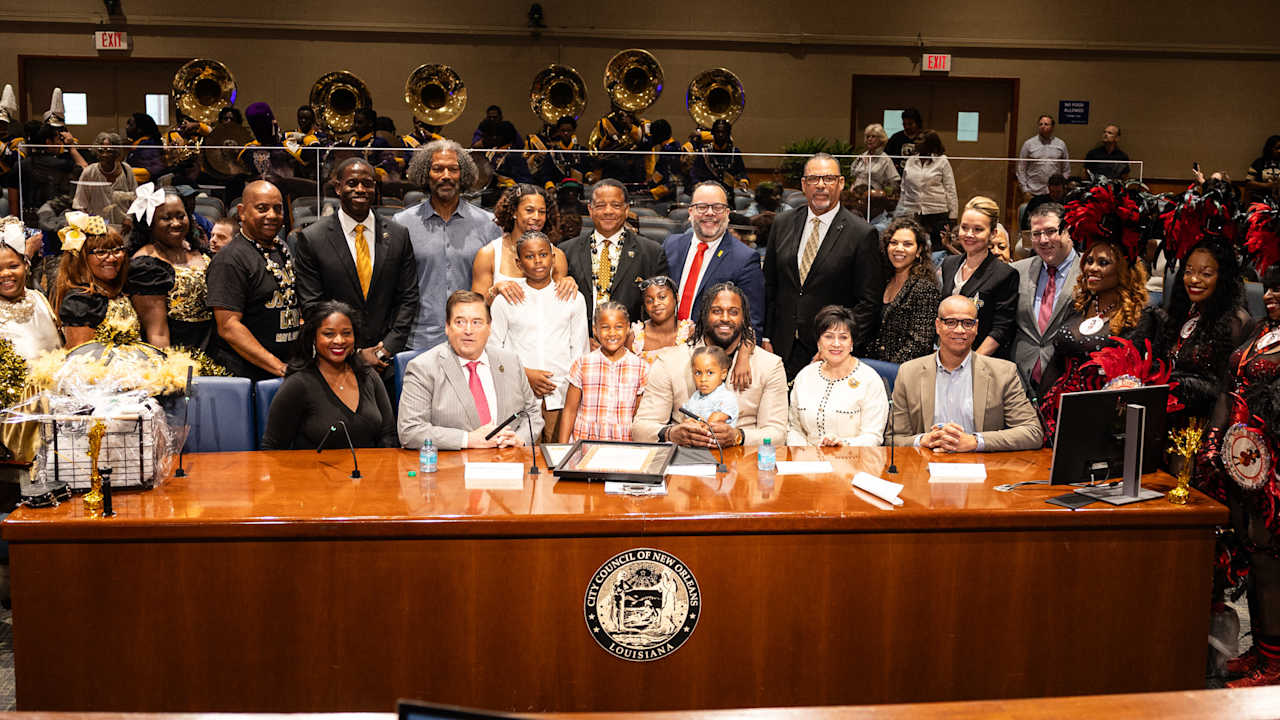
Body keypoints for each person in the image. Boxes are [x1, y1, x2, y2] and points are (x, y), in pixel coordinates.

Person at [1195, 264, 1280, 688]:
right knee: (1253, 554)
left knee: (1270, 561)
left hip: (1275, 469)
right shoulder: (1263, 331)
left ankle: (1275, 663)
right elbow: (1230, 387)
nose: (1270, 296)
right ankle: (1263, 649)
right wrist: (1214, 439)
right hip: (1243, 464)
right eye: (1269, 289)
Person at [294, 158, 419, 378]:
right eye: (352, 183)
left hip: (386, 363)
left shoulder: (399, 235)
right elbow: (313, 305)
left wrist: (385, 349)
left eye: (367, 183)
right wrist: (355, 354)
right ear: (338, 187)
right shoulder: (313, 238)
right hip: (336, 361)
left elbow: (408, 297)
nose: (360, 189)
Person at [764, 153, 884, 380]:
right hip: (779, 349)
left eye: (828, 178)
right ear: (803, 185)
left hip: (829, 355)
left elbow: (868, 304)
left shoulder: (861, 234)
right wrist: (766, 337)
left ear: (841, 183)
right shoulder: (782, 223)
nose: (820, 185)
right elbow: (769, 285)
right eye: (813, 179)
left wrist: (835, 346)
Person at [633, 283, 788, 448]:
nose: (725, 318)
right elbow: (641, 428)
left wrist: (739, 436)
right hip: (685, 462)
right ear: (704, 315)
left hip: (745, 464)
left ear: (744, 319)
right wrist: (671, 433)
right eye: (716, 311)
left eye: (733, 312)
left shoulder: (769, 365)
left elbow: (777, 434)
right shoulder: (670, 362)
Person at [889, 295, 1042, 451]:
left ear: (976, 327)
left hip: (982, 467)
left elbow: (1032, 432)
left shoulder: (1003, 373)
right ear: (937, 325)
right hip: (926, 463)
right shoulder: (909, 372)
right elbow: (893, 437)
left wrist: (976, 441)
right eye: (951, 322)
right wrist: (923, 440)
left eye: (968, 323)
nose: (960, 330)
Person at [398, 290, 542, 449]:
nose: (468, 330)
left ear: (489, 328)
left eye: (477, 322)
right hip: (453, 467)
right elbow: (410, 431)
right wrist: (467, 439)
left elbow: (533, 414)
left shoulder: (511, 362)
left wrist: (519, 439)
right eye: (460, 322)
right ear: (447, 327)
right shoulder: (423, 368)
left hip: (509, 461)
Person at [395, 139, 498, 351]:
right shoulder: (402, 223)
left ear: (464, 175)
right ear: (425, 173)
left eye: (453, 169)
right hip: (418, 340)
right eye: (437, 169)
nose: (446, 176)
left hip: (472, 341)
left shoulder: (489, 224)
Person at [490, 231, 588, 442]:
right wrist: (524, 374)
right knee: (520, 461)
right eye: (529, 256)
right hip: (518, 397)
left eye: (543, 254)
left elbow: (580, 352)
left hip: (561, 397)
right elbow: (494, 351)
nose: (537, 261)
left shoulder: (573, 297)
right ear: (518, 262)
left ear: (553, 257)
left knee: (557, 461)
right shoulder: (505, 300)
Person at [260, 301, 397, 450]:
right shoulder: (297, 384)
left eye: (346, 333)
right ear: (314, 338)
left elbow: (388, 435)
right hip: (314, 471)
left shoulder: (368, 374)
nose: (339, 340)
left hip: (369, 472)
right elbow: (272, 449)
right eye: (328, 334)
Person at [206, 180, 301, 380]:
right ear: (242, 212)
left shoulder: (281, 248)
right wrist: (279, 367)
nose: (272, 216)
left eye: (278, 209)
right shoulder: (230, 259)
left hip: (286, 369)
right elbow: (229, 327)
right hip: (249, 375)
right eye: (262, 209)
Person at [1158, 238, 1250, 423]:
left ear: (1223, 278)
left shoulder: (1236, 323)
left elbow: (1228, 393)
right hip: (1165, 418)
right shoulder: (1180, 313)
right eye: (1188, 271)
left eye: (1206, 274)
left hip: (1204, 425)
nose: (1193, 280)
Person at [560, 179, 668, 329]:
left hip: (632, 344)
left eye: (616, 205)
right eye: (600, 205)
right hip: (580, 343)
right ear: (590, 210)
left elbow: (661, 308)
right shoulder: (566, 251)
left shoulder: (651, 252)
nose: (608, 211)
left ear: (626, 210)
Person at [664, 181, 765, 340]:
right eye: (702, 207)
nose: (710, 213)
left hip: (714, 354)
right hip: (666, 347)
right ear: (690, 212)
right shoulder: (671, 245)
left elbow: (752, 322)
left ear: (727, 213)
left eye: (717, 207)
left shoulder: (745, 259)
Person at [0, 223, 61, 462]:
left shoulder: (39, 298)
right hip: (15, 411)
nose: (5, 274)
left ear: (26, 265)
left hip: (54, 402)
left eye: (13, 266)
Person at [126, 185, 214, 351]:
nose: (176, 223)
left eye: (181, 216)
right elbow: (157, 333)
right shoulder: (146, 266)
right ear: (149, 223)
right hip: (178, 357)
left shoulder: (202, 253)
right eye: (166, 218)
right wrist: (170, 372)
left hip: (213, 349)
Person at [788, 305, 888, 447]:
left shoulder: (870, 380)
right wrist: (805, 454)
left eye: (843, 337)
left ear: (852, 343)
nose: (836, 344)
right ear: (818, 342)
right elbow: (794, 429)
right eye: (828, 336)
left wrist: (843, 444)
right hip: (807, 462)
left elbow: (873, 436)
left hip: (852, 462)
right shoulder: (805, 376)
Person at [1011, 202, 1080, 394]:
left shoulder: (1088, 273)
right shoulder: (1017, 271)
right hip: (1020, 379)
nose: (1042, 240)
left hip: (1067, 378)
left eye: (1050, 231)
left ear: (1067, 231)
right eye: (1036, 234)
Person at [938, 196, 1018, 358]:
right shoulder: (949, 264)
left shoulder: (1004, 274)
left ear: (993, 233)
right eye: (964, 227)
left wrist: (971, 363)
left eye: (978, 229)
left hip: (982, 361)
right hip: (948, 357)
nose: (969, 234)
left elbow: (1001, 329)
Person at [470, 183, 576, 305]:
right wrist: (495, 291)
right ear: (514, 212)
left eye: (542, 212)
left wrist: (568, 284)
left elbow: (561, 305)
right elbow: (476, 306)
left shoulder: (557, 255)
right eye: (529, 210)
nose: (537, 217)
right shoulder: (489, 254)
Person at [558, 301, 647, 442]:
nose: (612, 333)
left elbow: (639, 415)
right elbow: (570, 410)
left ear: (628, 328)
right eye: (605, 327)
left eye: (618, 327)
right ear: (595, 330)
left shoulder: (640, 367)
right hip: (584, 443)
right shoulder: (583, 363)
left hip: (623, 444)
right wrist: (561, 449)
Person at [52, 213, 137, 347]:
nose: (112, 258)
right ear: (82, 258)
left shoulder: (121, 290)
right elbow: (82, 358)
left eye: (117, 250)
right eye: (101, 252)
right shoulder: (80, 302)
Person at [868, 218, 942, 364]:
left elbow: (920, 343)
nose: (899, 248)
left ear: (919, 250)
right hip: (870, 368)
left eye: (907, 244)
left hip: (902, 374)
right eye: (894, 243)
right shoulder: (882, 282)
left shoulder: (925, 288)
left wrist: (891, 371)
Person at [896, 130, 957, 252]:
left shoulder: (942, 161)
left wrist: (953, 214)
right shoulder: (911, 161)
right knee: (915, 246)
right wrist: (900, 211)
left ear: (929, 143)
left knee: (938, 248)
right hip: (913, 211)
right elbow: (904, 188)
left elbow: (950, 189)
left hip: (937, 211)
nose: (916, 142)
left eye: (920, 139)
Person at [71, 132, 136, 225]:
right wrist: (90, 223)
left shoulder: (126, 170)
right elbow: (80, 204)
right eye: (101, 151)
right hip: (97, 229)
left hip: (123, 228)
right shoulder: (89, 172)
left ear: (116, 153)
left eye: (109, 151)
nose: (104, 155)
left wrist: (129, 218)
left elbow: (136, 199)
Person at [629, 276, 694, 363]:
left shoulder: (690, 333)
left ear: (677, 297)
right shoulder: (634, 337)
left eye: (662, 297)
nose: (655, 303)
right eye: (649, 301)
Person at [685, 119, 747, 195]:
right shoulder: (704, 151)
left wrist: (743, 181)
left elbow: (741, 172)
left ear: (728, 134)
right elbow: (694, 172)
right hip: (707, 192)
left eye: (723, 132)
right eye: (718, 132)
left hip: (727, 192)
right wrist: (697, 183)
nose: (720, 135)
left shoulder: (735, 152)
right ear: (713, 133)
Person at [1017, 114, 1070, 201]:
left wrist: (1061, 188)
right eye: (1040, 124)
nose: (1042, 126)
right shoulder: (1028, 144)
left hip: (1054, 193)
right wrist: (1025, 191)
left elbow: (1066, 169)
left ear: (1052, 127)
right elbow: (1021, 169)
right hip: (1034, 191)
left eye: (1046, 124)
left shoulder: (1061, 144)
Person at [526, 115, 585, 189]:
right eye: (563, 131)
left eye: (569, 130)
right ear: (558, 131)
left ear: (573, 131)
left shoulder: (581, 150)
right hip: (558, 188)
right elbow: (546, 174)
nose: (566, 133)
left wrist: (590, 175)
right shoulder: (552, 153)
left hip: (578, 188)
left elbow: (586, 169)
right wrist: (550, 187)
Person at [685, 345, 739, 425]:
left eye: (710, 373)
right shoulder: (694, 397)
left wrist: (699, 424)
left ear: (723, 374)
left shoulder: (726, 398)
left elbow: (715, 422)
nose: (703, 379)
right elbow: (687, 419)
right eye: (698, 373)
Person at [849, 123, 900, 195]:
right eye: (868, 136)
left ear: (881, 139)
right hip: (855, 195)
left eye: (873, 136)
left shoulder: (885, 159)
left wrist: (886, 194)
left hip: (874, 198)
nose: (869, 139)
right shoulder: (861, 157)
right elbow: (852, 176)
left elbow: (894, 183)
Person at [124, 112, 164, 184]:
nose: (126, 127)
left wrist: (125, 172)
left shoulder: (148, 145)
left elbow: (152, 171)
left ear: (140, 129)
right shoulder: (138, 144)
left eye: (130, 124)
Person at [885, 108, 923, 172]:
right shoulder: (896, 137)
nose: (907, 127)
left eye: (910, 124)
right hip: (899, 175)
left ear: (918, 123)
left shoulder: (924, 137)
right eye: (904, 124)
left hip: (918, 174)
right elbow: (886, 156)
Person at [1247, 135, 1280, 199]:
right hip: (1261, 199)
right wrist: (1266, 185)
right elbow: (1248, 183)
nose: (1279, 151)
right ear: (1270, 148)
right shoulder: (1259, 163)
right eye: (1277, 148)